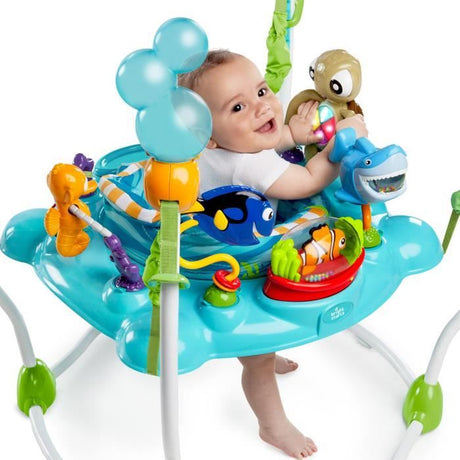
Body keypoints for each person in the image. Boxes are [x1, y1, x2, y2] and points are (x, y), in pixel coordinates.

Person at [178, 50, 368, 459]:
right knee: (257, 357)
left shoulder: (217, 146)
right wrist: (337, 147)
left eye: (262, 91)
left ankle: (266, 360)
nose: (262, 106)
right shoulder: (248, 169)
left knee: (262, 352)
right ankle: (272, 425)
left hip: (206, 237)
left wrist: (294, 134)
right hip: (237, 267)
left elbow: (259, 142)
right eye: (238, 106)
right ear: (208, 135)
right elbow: (308, 180)